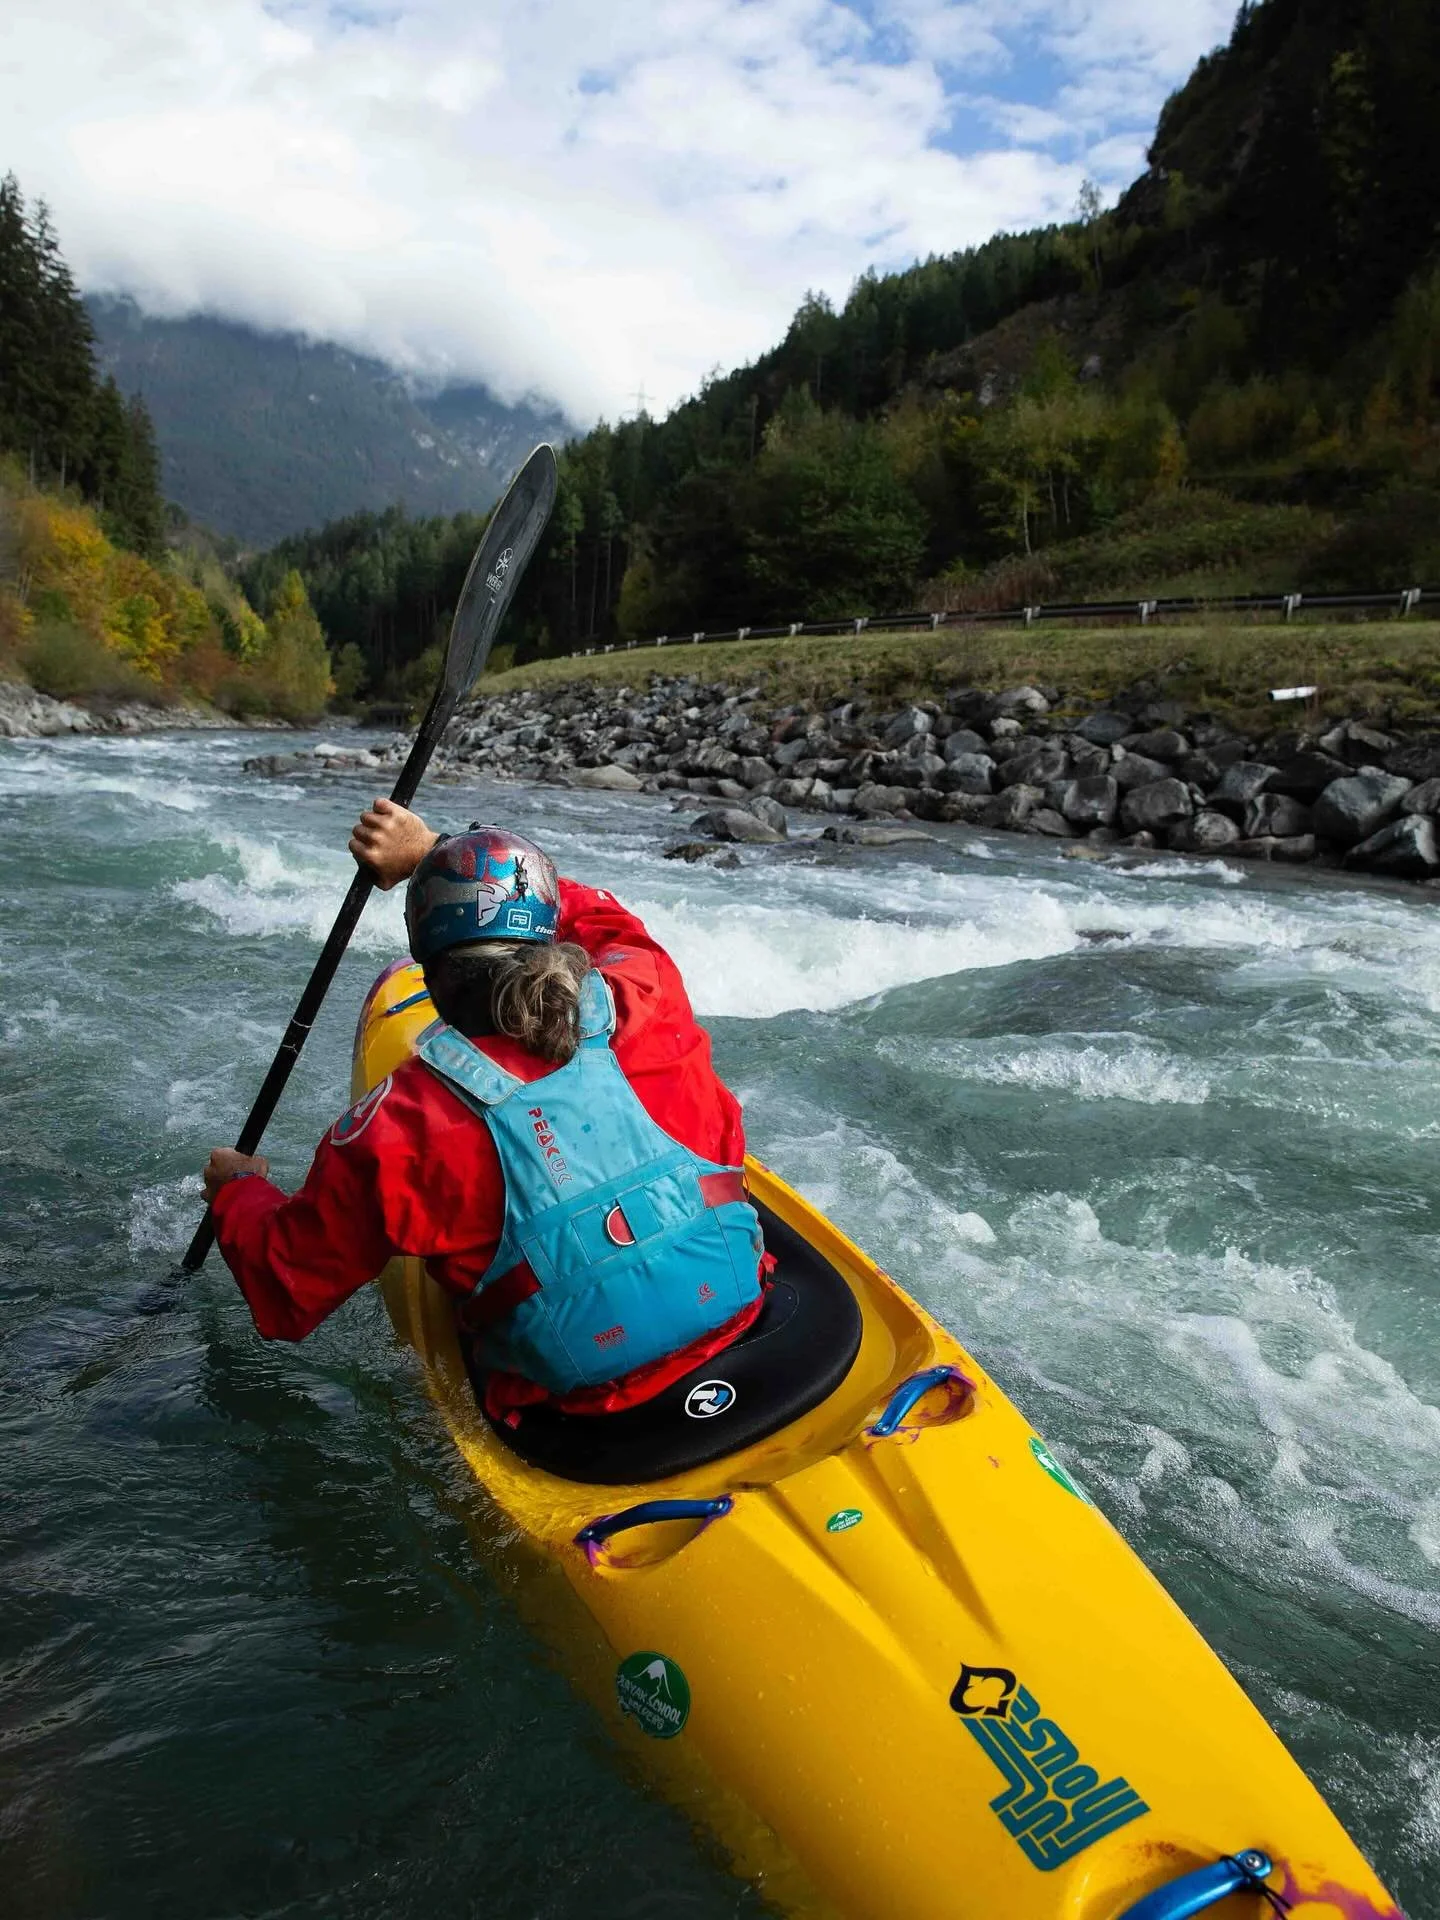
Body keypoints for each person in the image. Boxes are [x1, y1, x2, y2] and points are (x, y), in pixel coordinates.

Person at [204, 798, 767, 1420]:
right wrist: (434, 850)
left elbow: (286, 1288)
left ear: (431, 974)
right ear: (547, 932)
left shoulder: (396, 1130)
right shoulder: (645, 987)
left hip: (576, 1400)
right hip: (739, 1303)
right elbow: (606, 919)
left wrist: (237, 1191)